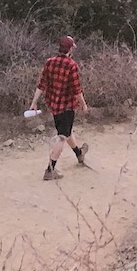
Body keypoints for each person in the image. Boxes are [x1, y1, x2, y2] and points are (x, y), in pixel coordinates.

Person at [28, 35, 89, 181]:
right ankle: (50, 170)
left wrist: (34, 102)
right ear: (70, 49)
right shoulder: (71, 65)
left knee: (66, 131)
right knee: (62, 137)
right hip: (67, 106)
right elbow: (77, 90)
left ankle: (78, 153)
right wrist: (84, 105)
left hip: (54, 105)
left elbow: (41, 85)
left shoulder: (49, 62)